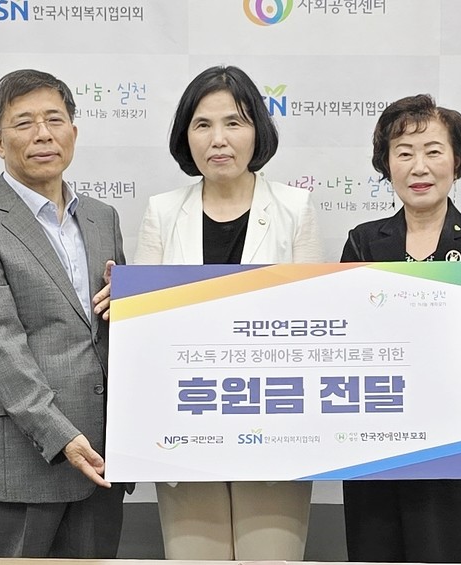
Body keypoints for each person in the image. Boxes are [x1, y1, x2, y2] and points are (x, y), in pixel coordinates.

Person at [134, 65, 323, 560]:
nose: (218, 139)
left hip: (275, 426)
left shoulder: (295, 209)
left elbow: (315, 328)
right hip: (183, 423)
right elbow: (142, 334)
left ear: (257, 130)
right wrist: (122, 298)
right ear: (186, 135)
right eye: (203, 124)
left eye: (234, 122)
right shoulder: (161, 212)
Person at [0, 69, 127, 558]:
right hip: (21, 462)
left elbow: (110, 331)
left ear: (74, 132)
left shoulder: (102, 218)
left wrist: (132, 302)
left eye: (54, 120)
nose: (43, 134)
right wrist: (62, 437)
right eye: (24, 123)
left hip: (101, 460)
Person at [340, 94, 461, 563]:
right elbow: (346, 342)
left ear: (456, 160)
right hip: (373, 441)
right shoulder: (363, 242)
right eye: (404, 153)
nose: (419, 166)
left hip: (452, 440)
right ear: (386, 165)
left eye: (433, 151)